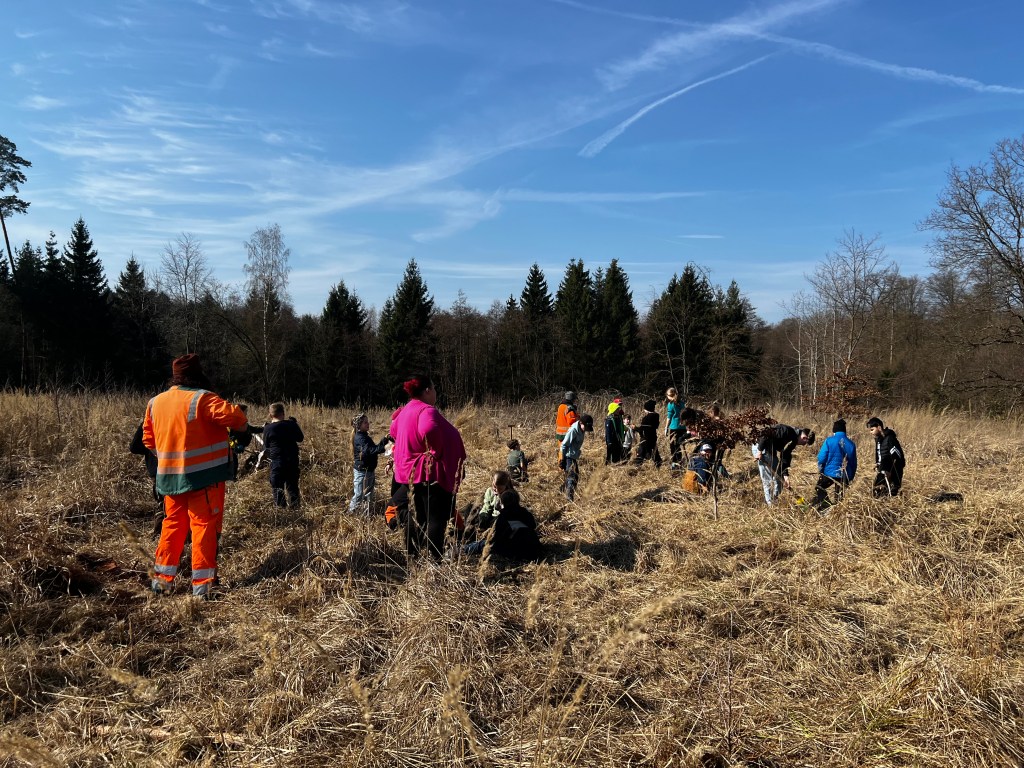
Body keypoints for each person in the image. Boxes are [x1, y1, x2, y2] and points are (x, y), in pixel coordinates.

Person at [142, 354, 248, 597]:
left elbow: (148, 440)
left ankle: (161, 583)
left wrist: (172, 457)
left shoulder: (155, 402)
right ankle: (203, 589)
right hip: (203, 479)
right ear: (198, 374)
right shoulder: (203, 398)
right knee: (203, 528)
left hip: (169, 479)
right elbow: (237, 418)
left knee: (172, 527)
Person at [390, 375, 467, 560]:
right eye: (434, 388)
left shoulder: (406, 410)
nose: (435, 392)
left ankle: (414, 555)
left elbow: (393, 430)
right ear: (427, 391)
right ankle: (435, 560)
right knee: (436, 519)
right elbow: (429, 429)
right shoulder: (426, 410)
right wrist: (436, 451)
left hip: (408, 474)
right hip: (427, 473)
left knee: (418, 516)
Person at [463, 489, 541, 561]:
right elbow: (533, 525)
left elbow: (496, 537)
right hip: (533, 549)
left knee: (482, 544)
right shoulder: (525, 512)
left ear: (502, 503)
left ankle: (465, 549)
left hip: (513, 550)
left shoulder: (503, 516)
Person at [251, 403, 304, 508]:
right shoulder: (291, 424)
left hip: (277, 462)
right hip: (292, 460)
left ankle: (281, 511)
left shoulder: (268, 428)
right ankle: (295, 509)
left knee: (277, 487)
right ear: (283, 413)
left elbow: (266, 446)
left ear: (270, 415)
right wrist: (295, 424)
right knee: (292, 486)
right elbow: (300, 438)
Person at [754, 424, 815, 506]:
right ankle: (771, 506)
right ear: (804, 438)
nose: (803, 445)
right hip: (762, 447)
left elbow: (785, 457)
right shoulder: (785, 430)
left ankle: (773, 500)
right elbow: (765, 434)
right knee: (768, 479)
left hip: (771, 451)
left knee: (780, 481)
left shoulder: (793, 440)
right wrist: (760, 451)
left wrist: (785, 475)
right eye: (804, 444)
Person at [349, 413, 392, 514]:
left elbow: (374, 448)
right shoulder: (360, 438)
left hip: (369, 471)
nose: (368, 424)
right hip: (362, 472)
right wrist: (385, 447)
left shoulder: (364, 436)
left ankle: (365, 514)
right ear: (359, 425)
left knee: (368, 495)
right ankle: (351, 513)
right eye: (365, 422)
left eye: (368, 422)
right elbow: (370, 451)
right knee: (359, 495)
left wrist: (385, 439)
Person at [814, 419, 857, 511]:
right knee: (840, 498)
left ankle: (826, 507)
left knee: (819, 487)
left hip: (829, 473)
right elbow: (853, 463)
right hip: (845, 475)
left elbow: (821, 458)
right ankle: (837, 513)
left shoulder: (829, 441)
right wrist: (851, 476)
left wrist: (821, 469)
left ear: (834, 431)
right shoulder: (851, 444)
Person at [867, 417, 906, 497]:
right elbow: (880, 455)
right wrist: (878, 464)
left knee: (891, 492)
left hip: (891, 471)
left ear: (879, 427)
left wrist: (891, 471)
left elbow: (897, 456)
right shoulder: (879, 440)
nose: (871, 432)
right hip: (883, 470)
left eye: (872, 429)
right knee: (877, 492)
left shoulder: (889, 439)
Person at [559, 412, 594, 501]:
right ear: (581, 423)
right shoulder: (573, 430)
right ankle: (569, 498)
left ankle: (561, 491)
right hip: (568, 456)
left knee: (575, 476)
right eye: (586, 427)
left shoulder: (581, 429)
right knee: (572, 476)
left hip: (573, 456)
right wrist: (562, 459)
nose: (586, 430)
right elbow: (564, 445)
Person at [634, 399, 663, 468]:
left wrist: (635, 428)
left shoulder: (646, 418)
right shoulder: (656, 416)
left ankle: (637, 466)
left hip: (645, 439)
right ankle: (658, 464)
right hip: (653, 437)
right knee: (655, 452)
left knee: (641, 453)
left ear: (647, 409)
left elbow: (641, 430)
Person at [665, 387, 686, 468]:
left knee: (673, 446)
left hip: (674, 427)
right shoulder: (682, 403)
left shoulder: (670, 404)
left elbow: (669, 417)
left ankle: (674, 463)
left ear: (669, 395)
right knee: (679, 445)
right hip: (682, 427)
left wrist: (666, 427)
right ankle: (680, 461)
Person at [555, 391, 579, 460]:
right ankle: (567, 467)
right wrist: (577, 417)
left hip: (559, 433)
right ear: (572, 399)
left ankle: (560, 465)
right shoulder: (570, 408)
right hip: (567, 433)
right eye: (574, 399)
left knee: (561, 450)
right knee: (568, 452)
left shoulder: (560, 406)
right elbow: (571, 421)